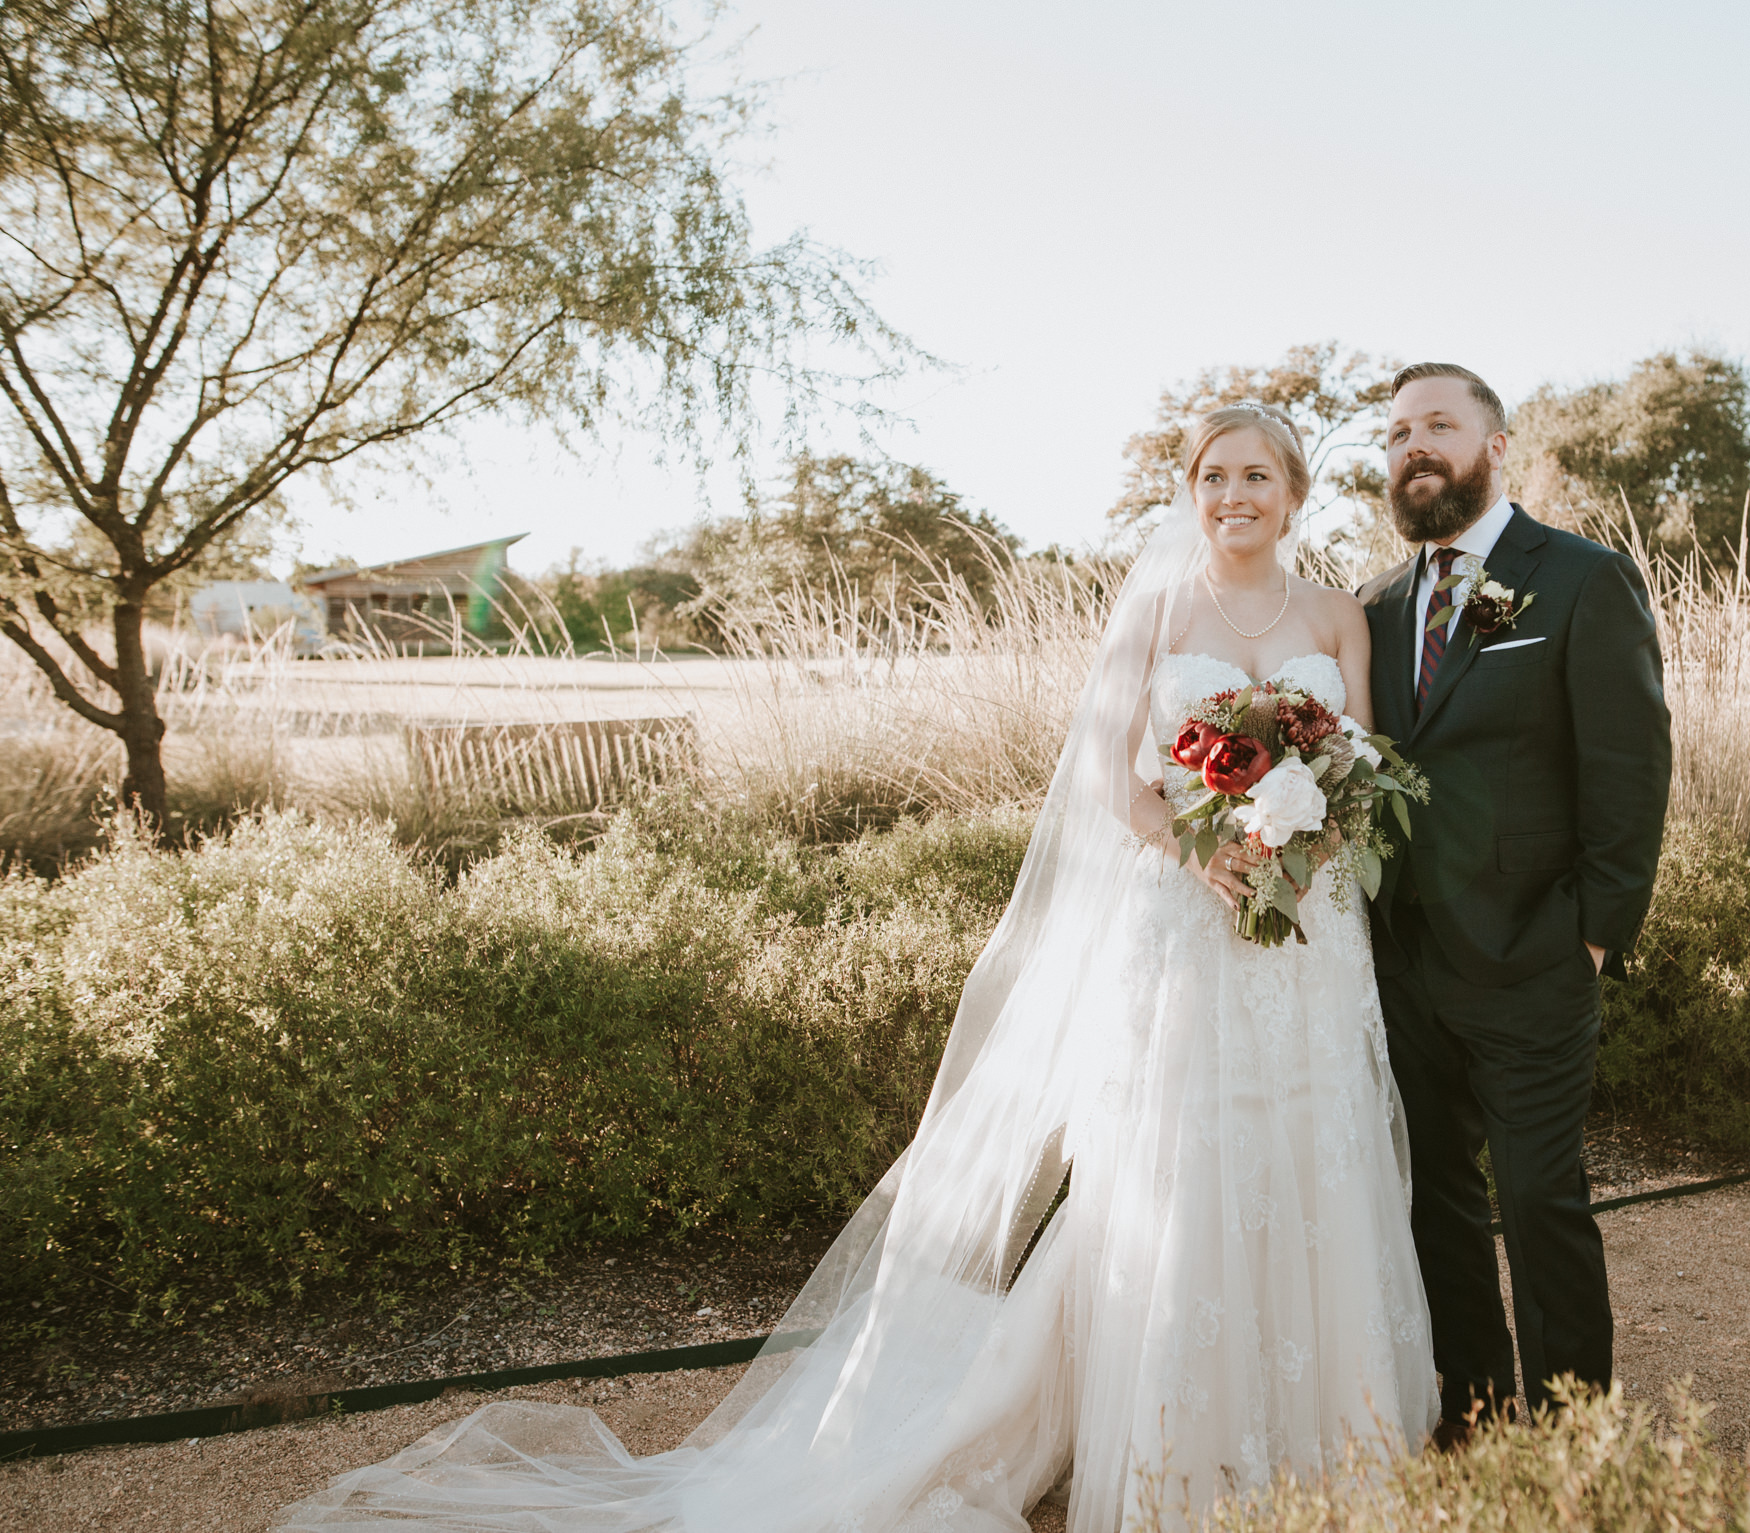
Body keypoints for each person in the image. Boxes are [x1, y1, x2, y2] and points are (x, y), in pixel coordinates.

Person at [278, 403, 1437, 1533]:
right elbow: (1109, 781)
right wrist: (1204, 860)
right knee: (1183, 1160)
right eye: (1212, 477)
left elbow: (1362, 766)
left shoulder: (1337, 616)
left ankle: (1325, 1428)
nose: (1232, 497)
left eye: (1255, 478)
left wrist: (1295, 844)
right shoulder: (1154, 611)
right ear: (1189, 493)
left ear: (1291, 492)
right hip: (1184, 919)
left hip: (1304, 932)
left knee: (1307, 1144)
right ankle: (1181, 1440)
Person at [1356, 363, 1671, 1447]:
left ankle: (1574, 1437)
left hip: (1536, 957)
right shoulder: (1376, 609)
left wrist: (1589, 937)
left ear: (1495, 443)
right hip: (1408, 966)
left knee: (1540, 1204)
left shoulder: (1579, 580)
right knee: (1434, 1205)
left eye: (1438, 424)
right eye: (1396, 433)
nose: (1413, 447)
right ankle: (1477, 1416)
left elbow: (1629, 772)